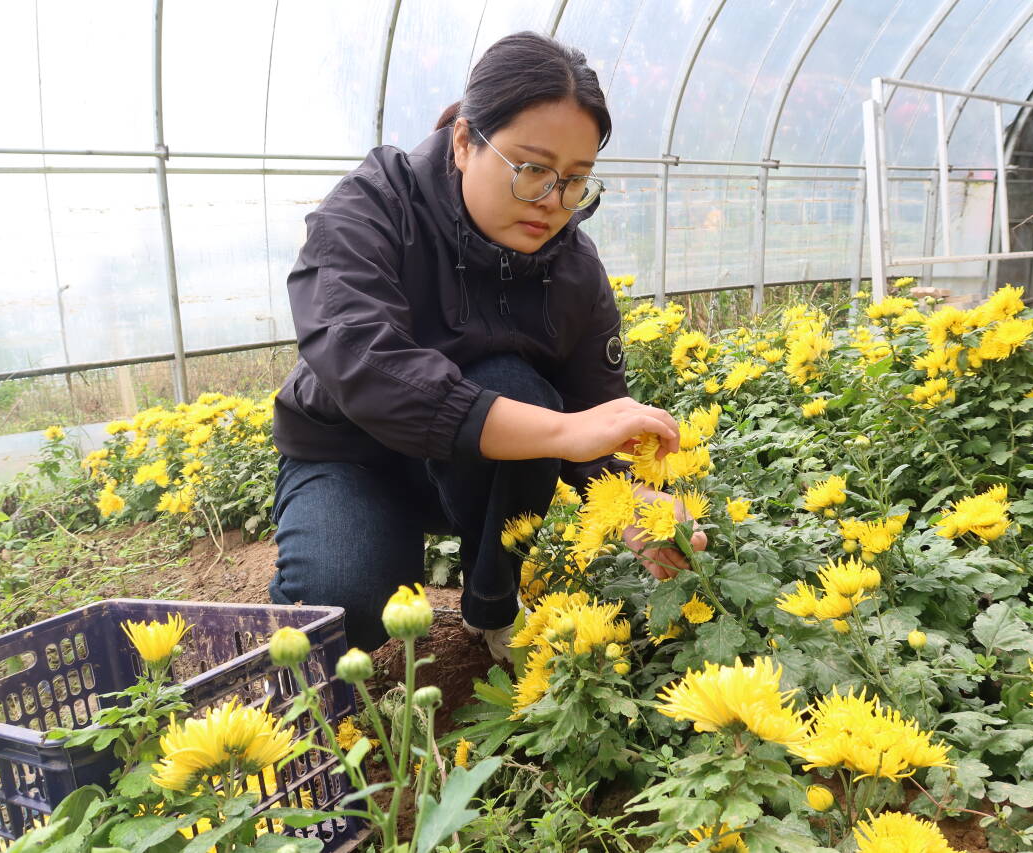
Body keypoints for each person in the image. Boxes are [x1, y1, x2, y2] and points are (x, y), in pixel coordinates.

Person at [269, 31, 706, 658]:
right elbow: (363, 361)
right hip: (350, 456)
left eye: (575, 180)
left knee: (520, 387)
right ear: (465, 139)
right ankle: (331, 570)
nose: (553, 202)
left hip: (472, 474)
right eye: (531, 170)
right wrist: (561, 432)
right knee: (345, 617)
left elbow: (596, 416)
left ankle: (492, 608)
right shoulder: (374, 206)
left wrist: (636, 505)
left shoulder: (574, 269)